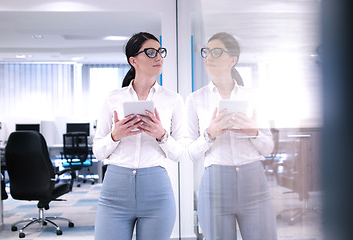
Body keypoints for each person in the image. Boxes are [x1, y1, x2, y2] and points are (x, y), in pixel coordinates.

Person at [93, 32, 185, 240]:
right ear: (133, 60)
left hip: (157, 192)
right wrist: (115, 136)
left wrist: (161, 135)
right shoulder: (113, 99)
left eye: (160, 52)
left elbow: (179, 154)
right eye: (151, 52)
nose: (159, 57)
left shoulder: (173, 100)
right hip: (115, 191)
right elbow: (98, 152)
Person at [186, 32, 277, 240]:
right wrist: (210, 134)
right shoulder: (195, 100)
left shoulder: (253, 96)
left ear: (233, 60)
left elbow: (268, 147)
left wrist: (253, 132)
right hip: (215, 186)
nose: (208, 57)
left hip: (254, 183)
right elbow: (190, 152)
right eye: (206, 52)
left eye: (216, 52)